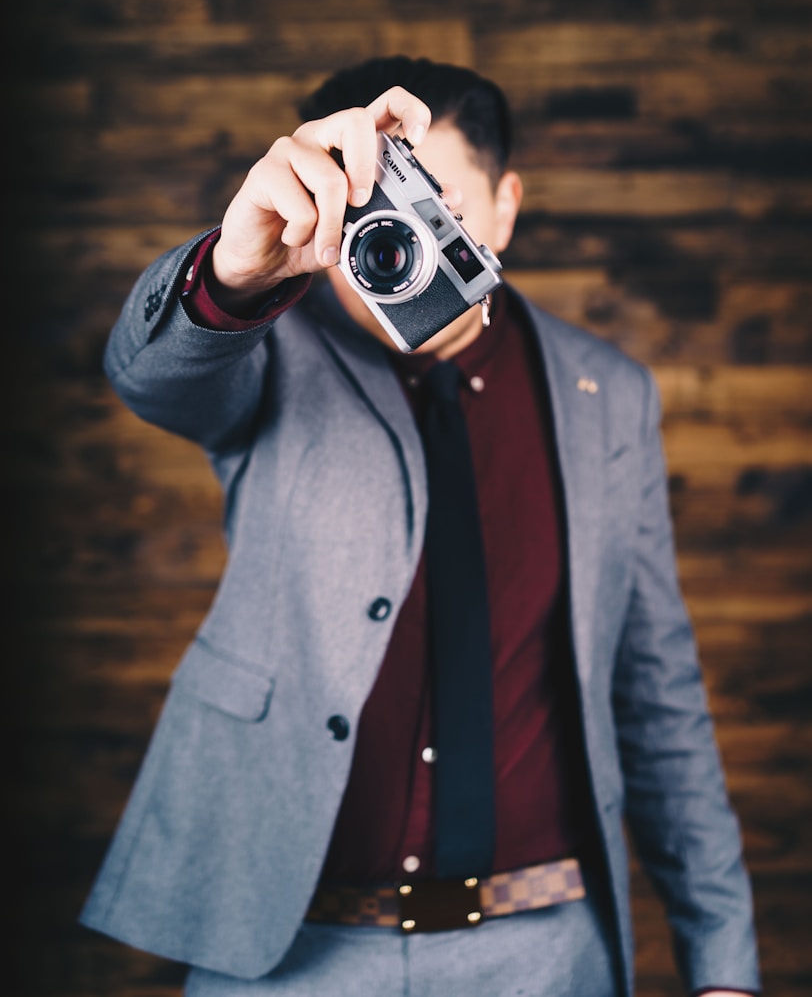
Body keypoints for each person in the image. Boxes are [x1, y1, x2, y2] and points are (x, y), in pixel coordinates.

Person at [80, 57, 760, 997]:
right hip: (292, 949)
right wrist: (234, 274)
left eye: (439, 206)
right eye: (379, 221)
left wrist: (723, 965)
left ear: (507, 206)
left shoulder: (607, 395)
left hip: (542, 946)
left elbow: (658, 689)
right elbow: (150, 375)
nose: (408, 246)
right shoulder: (269, 341)